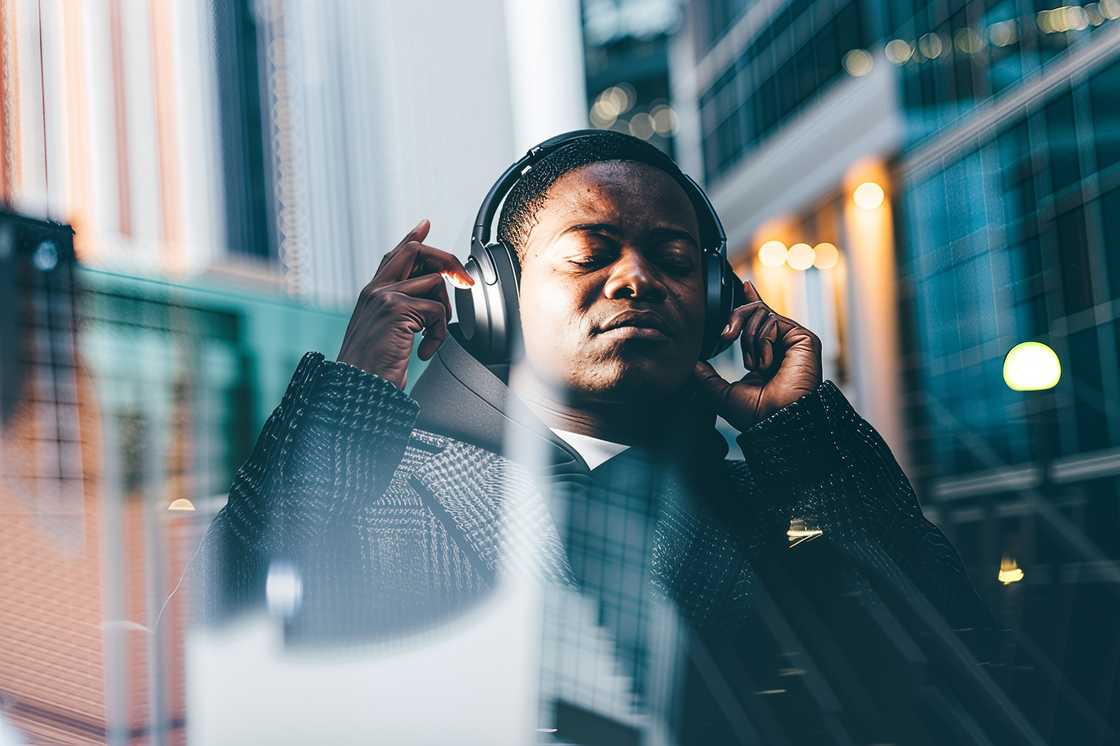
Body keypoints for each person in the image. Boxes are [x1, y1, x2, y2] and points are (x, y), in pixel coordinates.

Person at [189, 131, 1036, 744]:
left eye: (672, 258)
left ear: (714, 304)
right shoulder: (371, 497)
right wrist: (350, 399)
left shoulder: (769, 495)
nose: (636, 277)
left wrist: (801, 435)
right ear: (493, 298)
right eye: (591, 252)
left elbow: (957, 655)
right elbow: (207, 669)